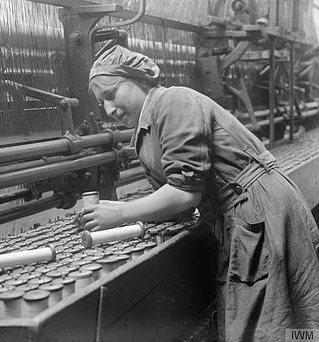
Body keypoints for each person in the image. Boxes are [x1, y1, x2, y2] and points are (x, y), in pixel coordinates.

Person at [82, 44, 319, 341]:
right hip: (242, 215)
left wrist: (120, 213)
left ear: (138, 78)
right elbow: (178, 202)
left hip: (260, 211)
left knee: (270, 324)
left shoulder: (172, 102)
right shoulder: (145, 131)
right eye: (102, 103)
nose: (109, 110)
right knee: (276, 318)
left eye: (112, 94)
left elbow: (184, 194)